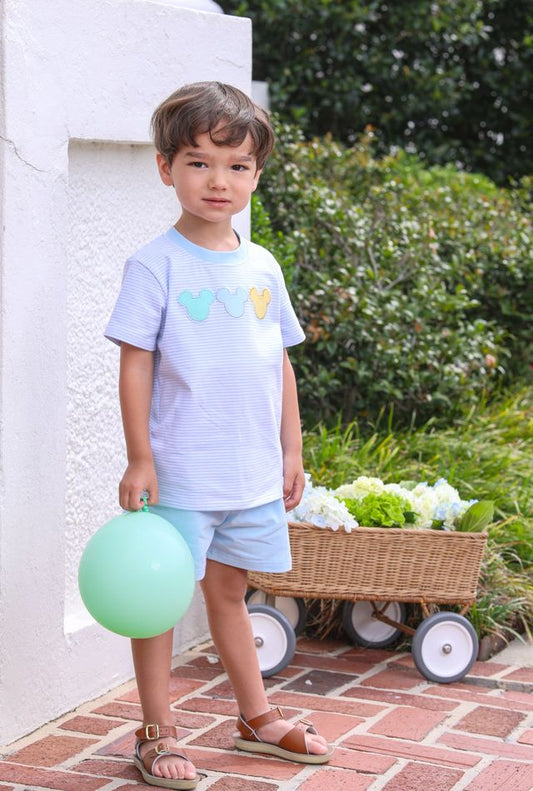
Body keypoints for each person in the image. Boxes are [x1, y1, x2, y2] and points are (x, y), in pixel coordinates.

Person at [105, 81, 332, 790]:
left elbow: (279, 362)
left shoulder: (262, 264)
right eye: (198, 162)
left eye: (237, 166)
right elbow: (135, 363)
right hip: (181, 473)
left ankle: (255, 717)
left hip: (250, 472)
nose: (218, 180)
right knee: (160, 600)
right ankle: (156, 728)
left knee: (230, 592)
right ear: (165, 168)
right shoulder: (155, 265)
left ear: (256, 175)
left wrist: (291, 449)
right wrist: (140, 457)